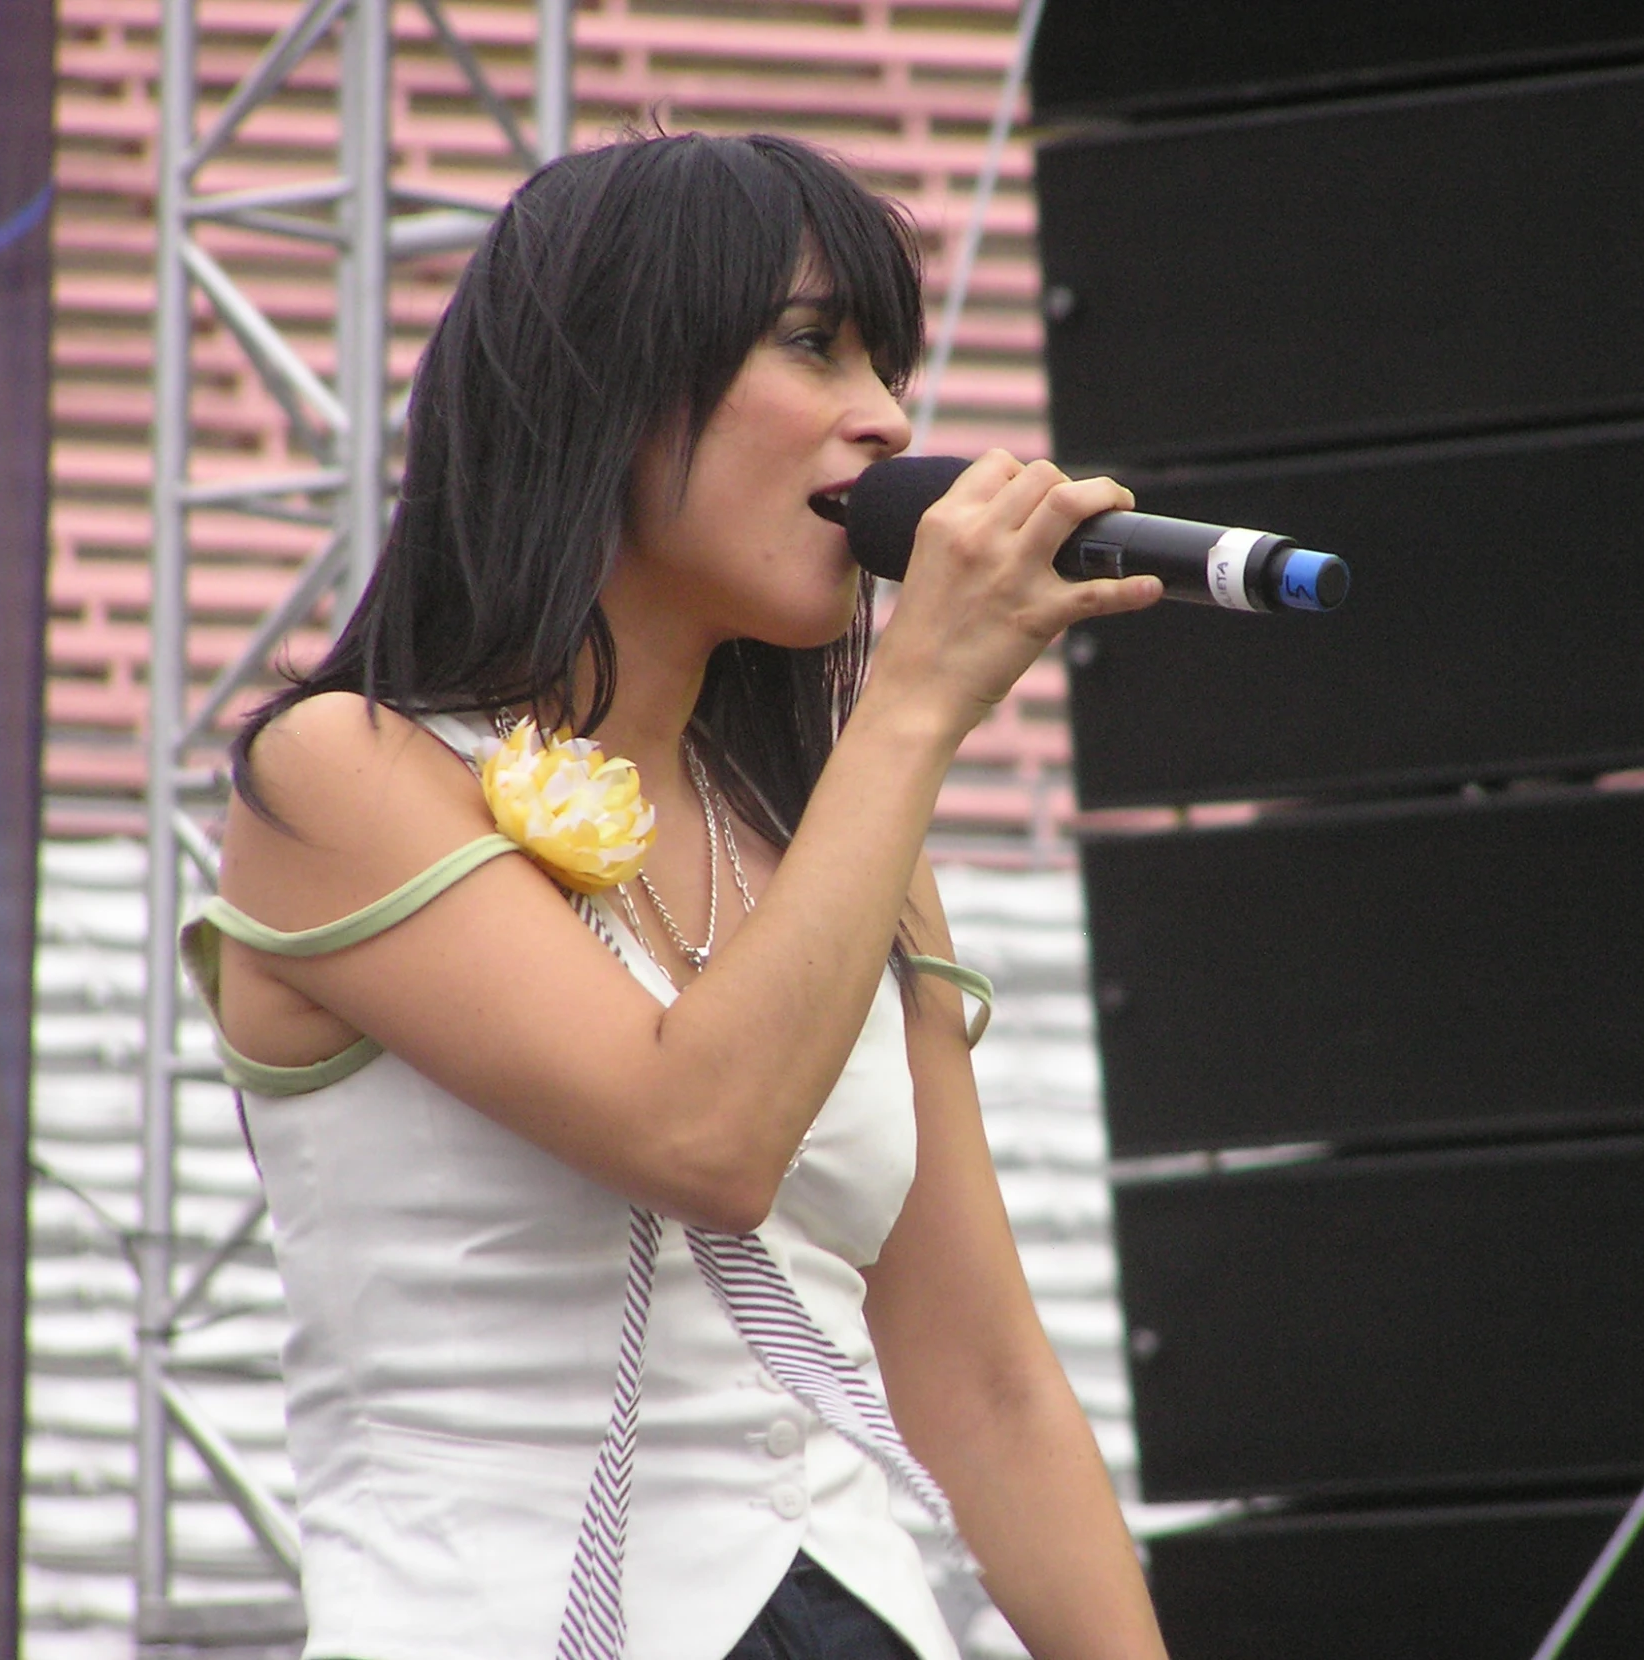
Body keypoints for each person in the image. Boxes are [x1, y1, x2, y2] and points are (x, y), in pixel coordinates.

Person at [183, 131, 1170, 1660]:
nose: (886, 419)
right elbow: (700, 1140)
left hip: (853, 1615)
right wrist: (913, 709)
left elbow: (982, 1376)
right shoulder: (347, 773)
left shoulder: (843, 835)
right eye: (812, 346)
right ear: (608, 391)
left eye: (890, 366)